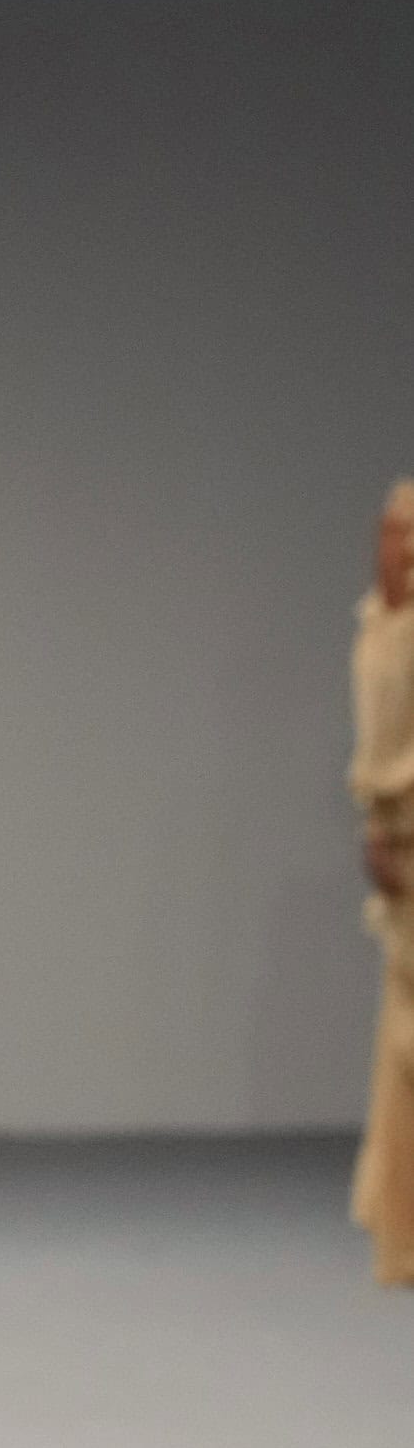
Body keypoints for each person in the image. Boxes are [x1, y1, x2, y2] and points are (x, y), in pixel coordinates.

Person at [347, 479, 414, 1286]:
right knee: (400, 1041)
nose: (391, 546)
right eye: (388, 531)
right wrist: (377, 824)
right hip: (398, 850)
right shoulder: (377, 625)